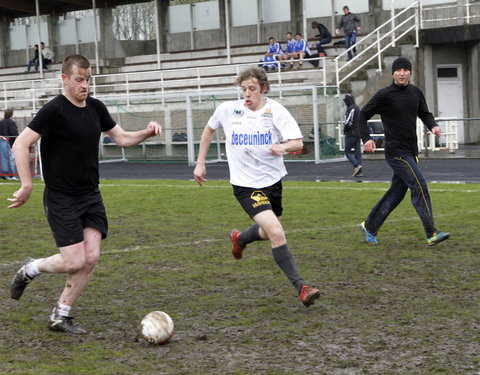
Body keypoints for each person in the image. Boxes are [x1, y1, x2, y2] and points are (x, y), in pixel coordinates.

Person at [8, 54, 162, 334]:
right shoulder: (54, 110)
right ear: (65, 79)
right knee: (74, 261)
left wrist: (148, 132)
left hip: (90, 195)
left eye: (88, 79)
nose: (85, 85)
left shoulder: (95, 107)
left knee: (90, 258)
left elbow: (122, 138)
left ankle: (60, 314)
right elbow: (21, 144)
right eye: (79, 79)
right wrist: (26, 184)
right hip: (61, 197)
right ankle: (32, 268)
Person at [193, 67, 321, 308]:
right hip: (245, 186)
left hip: (273, 183)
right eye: (243, 89)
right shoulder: (228, 110)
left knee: (267, 231)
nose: (247, 94)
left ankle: (240, 238)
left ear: (264, 88)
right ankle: (301, 288)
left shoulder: (275, 111)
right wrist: (200, 163)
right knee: (276, 232)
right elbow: (209, 129)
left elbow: (297, 142)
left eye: (252, 89)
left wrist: (281, 147)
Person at [358, 56, 450, 246]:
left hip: (411, 151)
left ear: (410, 73)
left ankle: (370, 225)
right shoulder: (384, 94)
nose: (402, 73)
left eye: (405, 70)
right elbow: (363, 114)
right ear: (393, 73)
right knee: (419, 185)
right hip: (396, 152)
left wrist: (433, 126)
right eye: (398, 70)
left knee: (396, 194)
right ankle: (431, 232)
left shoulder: (415, 92)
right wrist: (366, 138)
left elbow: (424, 113)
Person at [342, 94, 362, 177]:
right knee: (357, 152)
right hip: (358, 133)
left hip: (351, 133)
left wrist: (345, 129)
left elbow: (348, 122)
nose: (345, 102)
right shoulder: (358, 108)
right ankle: (359, 171)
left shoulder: (351, 109)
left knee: (347, 151)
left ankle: (356, 165)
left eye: (346, 100)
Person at [0, 108, 19, 179]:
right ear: (11, 114)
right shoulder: (11, 123)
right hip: (9, 143)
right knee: (10, 159)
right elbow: (14, 133)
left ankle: (2, 174)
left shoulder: (1, 122)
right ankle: (11, 175)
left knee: (2, 159)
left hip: (1, 143)